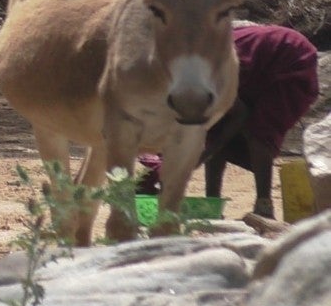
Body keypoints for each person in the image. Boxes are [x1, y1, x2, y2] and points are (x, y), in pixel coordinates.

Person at [137, 24, 320, 217]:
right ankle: (212, 204)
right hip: (256, 67)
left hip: (289, 58)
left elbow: (239, 115)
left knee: (259, 133)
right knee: (216, 131)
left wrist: (199, 158)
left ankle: (264, 206)